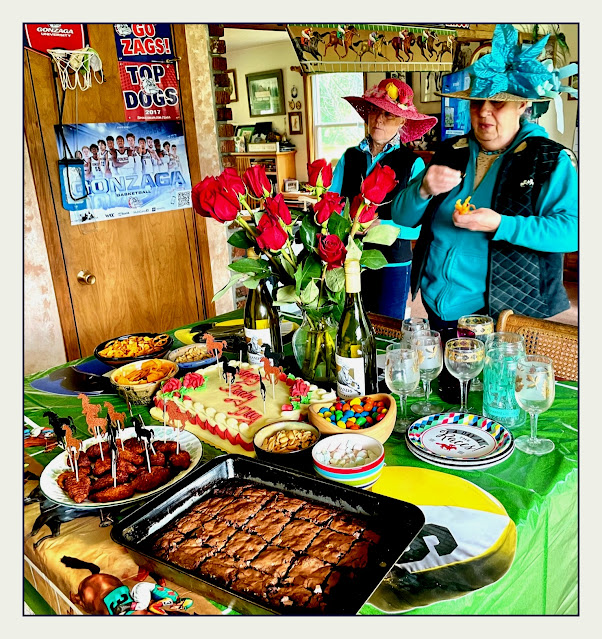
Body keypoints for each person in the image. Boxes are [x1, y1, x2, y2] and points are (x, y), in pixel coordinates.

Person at [392, 23, 578, 330]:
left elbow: (572, 232)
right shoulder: (451, 150)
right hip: (435, 305)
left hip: (504, 315)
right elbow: (401, 216)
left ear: (522, 104)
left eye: (498, 102)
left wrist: (502, 224)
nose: (484, 112)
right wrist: (422, 189)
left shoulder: (549, 159)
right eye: (477, 102)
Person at [330, 77, 438, 319]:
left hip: (393, 263)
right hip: (347, 258)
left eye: (388, 114)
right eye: (374, 111)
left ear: (402, 121)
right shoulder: (349, 157)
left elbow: (419, 229)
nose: (378, 119)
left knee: (388, 328)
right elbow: (331, 203)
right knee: (349, 322)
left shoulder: (413, 163)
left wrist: (382, 226)